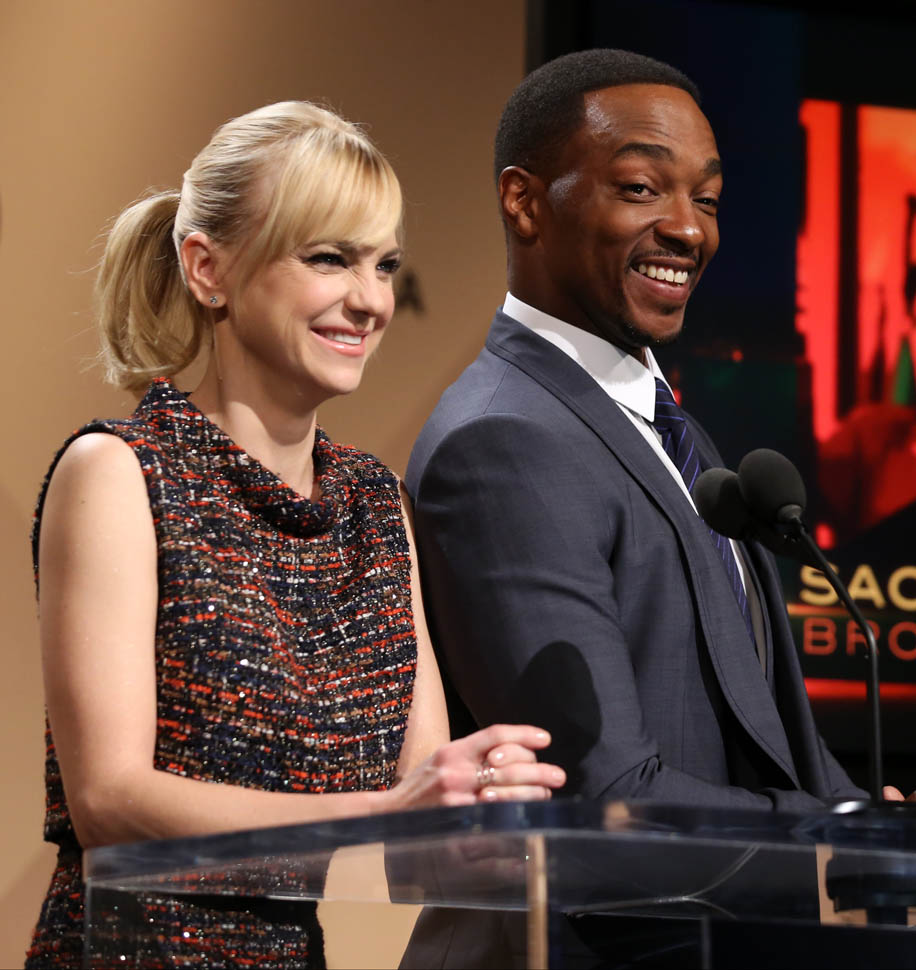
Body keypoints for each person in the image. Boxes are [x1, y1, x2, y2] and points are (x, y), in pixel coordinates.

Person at [26, 101, 565, 969]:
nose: (370, 300)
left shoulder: (375, 506)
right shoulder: (121, 473)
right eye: (328, 259)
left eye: (384, 266)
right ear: (207, 268)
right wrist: (389, 813)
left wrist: (489, 815)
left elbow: (416, 839)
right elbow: (109, 803)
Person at [406, 48, 890, 814]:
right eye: (640, 188)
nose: (689, 230)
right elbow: (605, 796)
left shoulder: (672, 430)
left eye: (709, 199)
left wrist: (869, 818)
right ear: (525, 202)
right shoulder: (501, 444)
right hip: (612, 901)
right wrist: (824, 828)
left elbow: (765, 728)